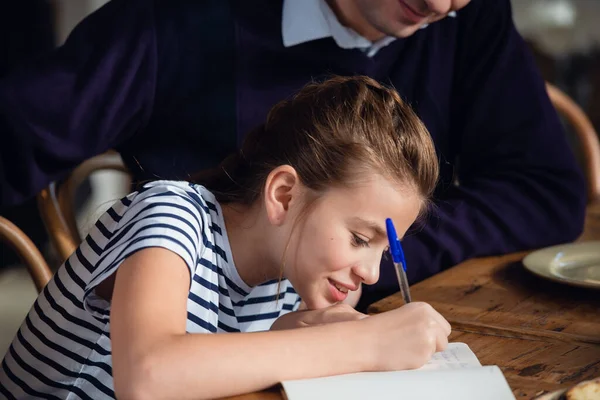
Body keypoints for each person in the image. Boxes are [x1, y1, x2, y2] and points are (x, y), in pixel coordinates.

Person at [0, 0, 586, 307]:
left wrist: (358, 257)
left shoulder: (469, 18)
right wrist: (332, 252)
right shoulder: (176, 19)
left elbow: (545, 191)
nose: (438, 5)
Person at [0, 76, 451, 399]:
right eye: (358, 238)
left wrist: (295, 329)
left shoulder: (292, 276)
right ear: (284, 193)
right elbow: (148, 376)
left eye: (383, 249)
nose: (371, 273)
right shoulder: (171, 215)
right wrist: (360, 344)